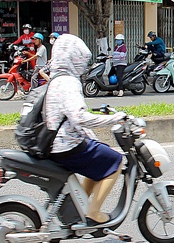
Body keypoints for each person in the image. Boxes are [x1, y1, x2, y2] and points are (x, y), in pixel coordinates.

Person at [45, 34, 126, 225]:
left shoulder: (55, 79)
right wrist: (114, 118)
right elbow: (79, 117)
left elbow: (67, 117)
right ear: (75, 58)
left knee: (99, 157)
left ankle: (81, 207)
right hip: (67, 146)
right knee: (115, 161)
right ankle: (94, 213)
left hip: (55, 144)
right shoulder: (69, 82)